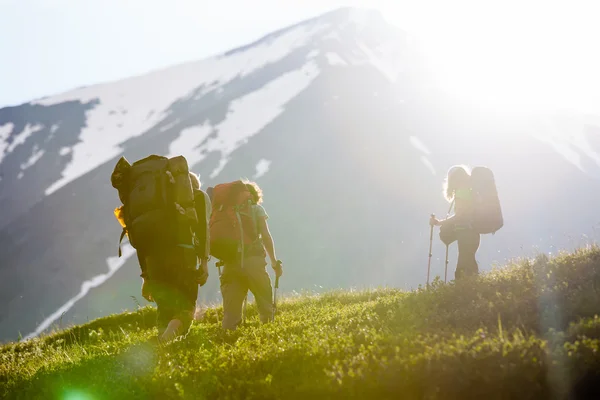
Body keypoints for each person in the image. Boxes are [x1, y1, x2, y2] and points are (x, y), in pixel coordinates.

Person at [139, 171, 211, 343]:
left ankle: (163, 346)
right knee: (186, 308)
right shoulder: (198, 197)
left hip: (155, 262)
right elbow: (203, 231)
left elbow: (142, 242)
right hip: (183, 258)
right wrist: (204, 262)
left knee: (164, 309)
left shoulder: (154, 204)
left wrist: (146, 277)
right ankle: (169, 336)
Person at [218, 180, 282, 330]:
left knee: (231, 312)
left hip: (230, 263)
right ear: (253, 196)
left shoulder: (226, 212)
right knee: (265, 300)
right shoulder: (256, 209)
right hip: (253, 261)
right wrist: (274, 262)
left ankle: (228, 343)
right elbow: (265, 236)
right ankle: (268, 335)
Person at [430, 165, 480, 281]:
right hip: (472, 233)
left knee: (463, 269)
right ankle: (475, 292)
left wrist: (439, 223)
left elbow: (460, 216)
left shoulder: (462, 192)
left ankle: (463, 293)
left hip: (466, 234)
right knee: (469, 264)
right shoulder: (469, 190)